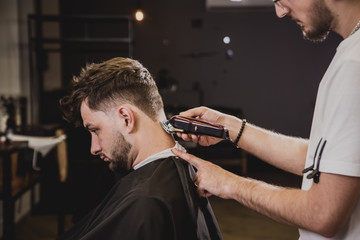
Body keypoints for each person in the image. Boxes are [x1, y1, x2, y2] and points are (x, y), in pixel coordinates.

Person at [172, 0, 360, 239]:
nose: (280, 12)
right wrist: (230, 127)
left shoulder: (355, 63)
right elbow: (320, 159)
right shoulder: (351, 52)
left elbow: (323, 213)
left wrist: (228, 183)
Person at [58, 57, 222, 240]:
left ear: (126, 119)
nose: (93, 148)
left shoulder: (147, 202)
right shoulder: (180, 172)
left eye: (95, 130)